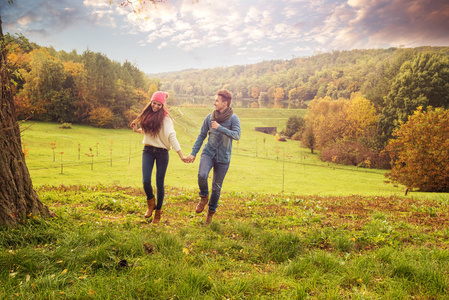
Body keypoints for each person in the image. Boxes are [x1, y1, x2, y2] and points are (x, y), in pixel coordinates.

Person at [186, 89, 241, 225]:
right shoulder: (210, 117)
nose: (214, 102)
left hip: (223, 158)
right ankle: (204, 196)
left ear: (225, 103)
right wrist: (194, 152)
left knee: (216, 187)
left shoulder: (233, 118)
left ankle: (210, 213)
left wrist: (220, 128)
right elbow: (201, 135)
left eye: (217, 100)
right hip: (208, 153)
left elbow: (237, 135)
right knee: (202, 175)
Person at [131, 91, 187, 224]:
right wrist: (137, 130)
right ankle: (151, 203)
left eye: (159, 105)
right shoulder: (148, 114)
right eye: (154, 103)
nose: (156, 106)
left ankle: (158, 212)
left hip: (162, 153)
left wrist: (181, 155)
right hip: (148, 151)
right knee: (145, 181)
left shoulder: (166, 119)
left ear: (163, 105)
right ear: (151, 102)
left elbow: (171, 136)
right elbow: (149, 132)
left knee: (159, 184)